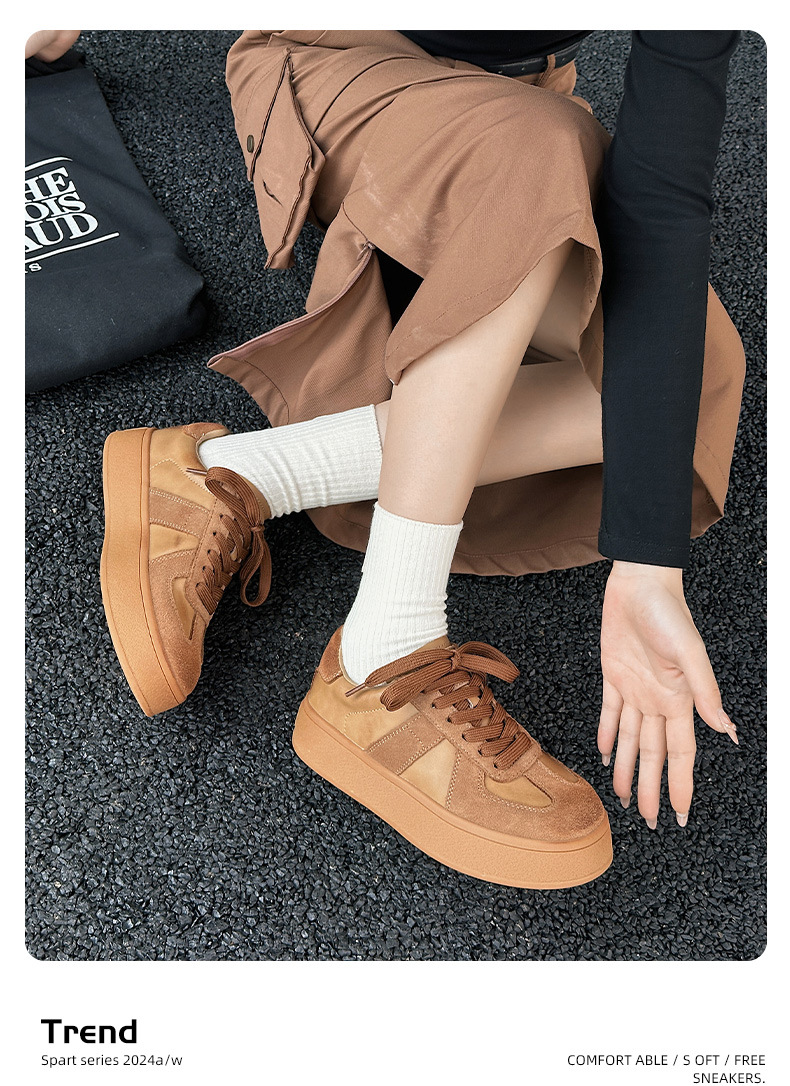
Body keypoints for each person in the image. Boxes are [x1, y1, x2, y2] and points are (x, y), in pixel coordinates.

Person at [30, 30, 746, 889]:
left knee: (686, 379)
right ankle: (386, 648)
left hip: (529, 110)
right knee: (532, 147)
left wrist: (648, 569)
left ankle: (246, 474)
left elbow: (665, 196)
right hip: (343, 65)